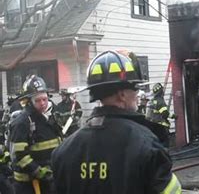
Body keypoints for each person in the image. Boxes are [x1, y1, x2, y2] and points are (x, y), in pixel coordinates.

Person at [51, 50, 181, 194]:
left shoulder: (64, 151)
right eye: (135, 89)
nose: (138, 95)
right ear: (122, 95)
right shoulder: (146, 144)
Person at [9, 75, 63, 194]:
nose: (43, 103)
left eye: (44, 99)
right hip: (29, 185)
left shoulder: (49, 118)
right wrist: (41, 172)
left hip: (47, 182)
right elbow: (19, 156)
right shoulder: (22, 123)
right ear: (29, 102)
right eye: (37, 100)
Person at [146, 83, 175, 148]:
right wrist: (173, 116)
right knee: (164, 145)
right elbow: (165, 114)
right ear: (160, 91)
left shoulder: (153, 101)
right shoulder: (160, 101)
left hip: (153, 126)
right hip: (161, 127)